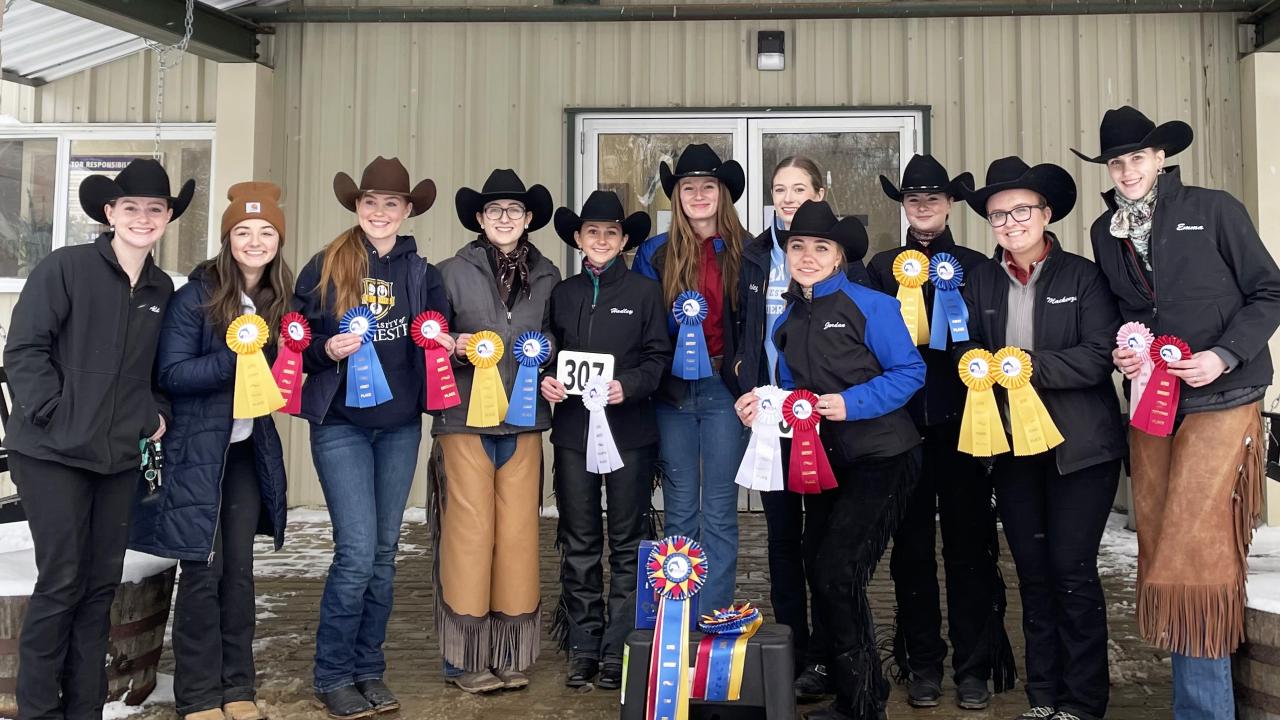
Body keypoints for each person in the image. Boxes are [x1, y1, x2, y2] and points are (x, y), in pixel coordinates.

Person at [1076, 106, 1280, 719]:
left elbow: (1270, 291)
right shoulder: (1102, 230)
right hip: (1153, 407)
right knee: (1163, 549)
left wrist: (1224, 354)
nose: (1127, 170)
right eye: (1116, 162)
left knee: (1193, 554)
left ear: (1160, 158)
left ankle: (1204, 712)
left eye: (1137, 158)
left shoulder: (1215, 209)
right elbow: (1118, 309)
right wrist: (1122, 349)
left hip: (1223, 397)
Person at [4, 158, 181, 720]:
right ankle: (38, 711)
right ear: (110, 212)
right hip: (51, 453)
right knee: (62, 579)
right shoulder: (67, 268)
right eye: (131, 208)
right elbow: (24, 350)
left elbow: (161, 373)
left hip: (117, 460)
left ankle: (84, 709)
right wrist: (55, 411)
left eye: (155, 209)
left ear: (168, 218)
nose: (143, 218)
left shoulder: (161, 289)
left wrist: (155, 415)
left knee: (100, 585)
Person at [959, 156, 1126, 720]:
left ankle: (1083, 702)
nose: (1010, 222)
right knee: (1031, 573)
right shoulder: (980, 279)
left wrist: (1026, 365)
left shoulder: (1083, 276)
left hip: (1081, 450)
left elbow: (1099, 356)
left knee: (1071, 570)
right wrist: (979, 365)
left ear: (1046, 213)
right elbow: (969, 350)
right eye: (999, 214)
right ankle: (1044, 698)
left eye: (1021, 210)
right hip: (1012, 449)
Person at [754, 199, 923, 720]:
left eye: (820, 247)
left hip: (882, 457)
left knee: (835, 570)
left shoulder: (873, 306)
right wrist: (760, 402)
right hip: (823, 461)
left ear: (838, 257)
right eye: (798, 246)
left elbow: (910, 372)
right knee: (818, 565)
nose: (807, 255)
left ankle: (863, 703)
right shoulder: (786, 316)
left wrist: (852, 403)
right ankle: (854, 690)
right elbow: (789, 391)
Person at [128, 182, 292, 720]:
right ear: (227, 239)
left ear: (278, 241)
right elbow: (172, 373)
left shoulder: (279, 298)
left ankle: (237, 688)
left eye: (266, 232)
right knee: (202, 569)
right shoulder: (194, 296)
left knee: (239, 571)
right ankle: (198, 696)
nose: (255, 240)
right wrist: (236, 359)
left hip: (246, 451)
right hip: (197, 451)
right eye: (243, 231)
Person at [294, 156, 450, 719]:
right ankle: (332, 673)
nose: (380, 212)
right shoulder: (325, 263)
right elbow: (298, 335)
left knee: (385, 555)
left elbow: (436, 334)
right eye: (370, 202)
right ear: (356, 208)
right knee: (357, 553)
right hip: (342, 426)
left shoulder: (422, 273)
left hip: (399, 426)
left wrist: (449, 344)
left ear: (408, 212)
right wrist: (323, 350)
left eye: (392, 203)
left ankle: (369, 669)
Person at [866, 154, 1014, 710]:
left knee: (969, 547)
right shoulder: (882, 268)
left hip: (964, 425)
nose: (923, 207)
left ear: (950, 204)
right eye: (912, 199)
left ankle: (973, 666)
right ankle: (922, 660)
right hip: (902, 430)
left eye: (932, 198)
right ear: (903, 206)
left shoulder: (978, 266)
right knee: (910, 551)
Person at [431, 168, 559, 693]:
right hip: (464, 420)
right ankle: (464, 659)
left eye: (514, 210)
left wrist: (550, 374)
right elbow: (429, 334)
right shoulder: (447, 273)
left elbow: (554, 341)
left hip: (525, 423)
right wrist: (455, 342)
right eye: (494, 211)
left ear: (528, 219)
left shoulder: (549, 275)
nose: (504, 218)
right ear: (480, 220)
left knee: (518, 538)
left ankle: (508, 653)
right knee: (468, 536)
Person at [541, 190, 669, 690]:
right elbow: (547, 352)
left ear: (623, 241)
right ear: (578, 238)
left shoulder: (642, 293)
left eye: (610, 233)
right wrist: (548, 378)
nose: (600, 239)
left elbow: (659, 358)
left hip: (630, 434)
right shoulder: (564, 293)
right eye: (591, 232)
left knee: (628, 541)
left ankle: (620, 647)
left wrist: (627, 386)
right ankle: (583, 646)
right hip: (573, 434)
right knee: (579, 540)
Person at [733, 155, 837, 697]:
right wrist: (744, 391)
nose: (789, 198)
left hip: (821, 420)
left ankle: (828, 652)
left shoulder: (842, 256)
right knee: (781, 540)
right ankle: (794, 646)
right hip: (771, 418)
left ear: (820, 193)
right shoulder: (753, 255)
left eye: (800, 188)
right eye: (780, 189)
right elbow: (738, 334)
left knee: (822, 539)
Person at [632, 143, 749, 611]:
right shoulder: (654, 253)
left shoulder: (749, 251)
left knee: (719, 508)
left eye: (708, 186)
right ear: (676, 196)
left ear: (722, 193)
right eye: (688, 187)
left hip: (725, 389)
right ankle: (679, 620)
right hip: (672, 394)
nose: (698, 195)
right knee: (680, 508)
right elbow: (643, 324)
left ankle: (714, 616)